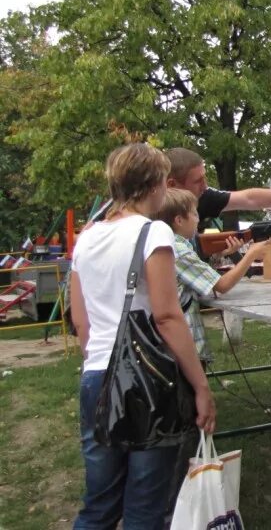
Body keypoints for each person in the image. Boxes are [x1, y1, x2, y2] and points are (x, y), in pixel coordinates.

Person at [70, 143, 215, 529]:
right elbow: (167, 316)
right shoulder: (154, 234)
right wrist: (200, 386)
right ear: (155, 185)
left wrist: (101, 364)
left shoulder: (86, 239)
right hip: (149, 382)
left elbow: (81, 324)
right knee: (145, 508)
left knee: (99, 503)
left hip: (96, 376)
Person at [155, 187, 269, 365]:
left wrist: (221, 254)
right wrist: (250, 255)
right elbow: (221, 285)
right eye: (194, 214)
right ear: (178, 220)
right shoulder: (179, 251)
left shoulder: (172, 246)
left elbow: (195, 274)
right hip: (184, 347)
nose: (198, 219)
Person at [165, 147, 271, 230]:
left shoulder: (204, 197)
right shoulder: (150, 214)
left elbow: (249, 198)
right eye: (197, 181)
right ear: (171, 185)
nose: (205, 186)